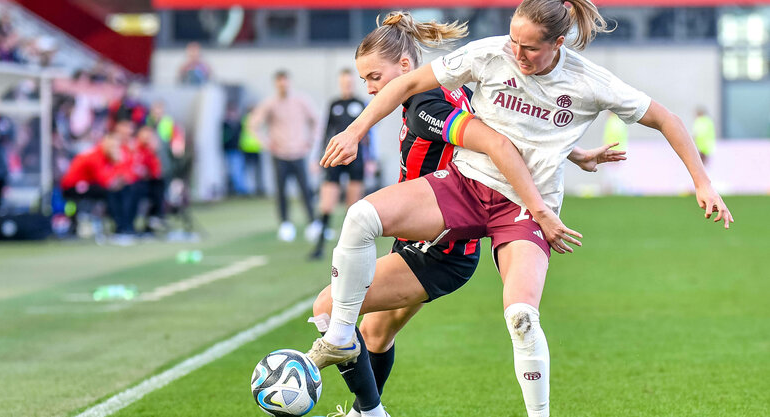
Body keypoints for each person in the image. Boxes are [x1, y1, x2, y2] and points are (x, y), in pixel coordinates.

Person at [311, 2, 734, 417]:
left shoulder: (587, 82)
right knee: (363, 236)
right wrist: (353, 132)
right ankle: (351, 365)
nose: (516, 53)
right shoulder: (491, 54)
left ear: (558, 43)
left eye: (529, 47)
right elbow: (493, 120)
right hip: (465, 187)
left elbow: (664, 120)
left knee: (522, 317)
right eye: (513, 40)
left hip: (509, 212)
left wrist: (702, 182)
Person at [249, 70, 321, 242]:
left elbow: (316, 120)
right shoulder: (270, 103)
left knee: (305, 189)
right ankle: (285, 225)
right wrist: (266, 143)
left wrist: (310, 141)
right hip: (279, 154)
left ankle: (313, 223)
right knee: (281, 191)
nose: (283, 85)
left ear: (289, 82)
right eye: (280, 83)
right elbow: (253, 124)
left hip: (299, 152)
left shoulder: (300, 100)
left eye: (285, 82)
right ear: (276, 84)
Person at [309, 68, 372, 260]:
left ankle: (350, 249)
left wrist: (371, 159)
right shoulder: (334, 104)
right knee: (327, 202)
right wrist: (318, 158)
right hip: (336, 157)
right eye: (344, 82)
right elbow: (325, 133)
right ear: (340, 83)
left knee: (352, 206)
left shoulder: (361, 104)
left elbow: (370, 135)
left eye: (350, 82)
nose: (347, 85)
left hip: (356, 158)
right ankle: (319, 246)